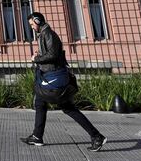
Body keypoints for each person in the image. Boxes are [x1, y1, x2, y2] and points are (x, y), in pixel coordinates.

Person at [21, 12, 107, 151]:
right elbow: (50, 53)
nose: (31, 27)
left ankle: (96, 136)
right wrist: (40, 55)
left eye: (32, 24)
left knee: (67, 108)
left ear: (38, 21)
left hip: (54, 77)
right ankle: (37, 136)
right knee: (40, 102)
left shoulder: (48, 33)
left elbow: (53, 55)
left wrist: (36, 59)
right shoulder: (44, 34)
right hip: (49, 75)